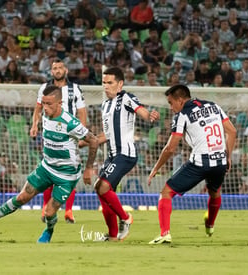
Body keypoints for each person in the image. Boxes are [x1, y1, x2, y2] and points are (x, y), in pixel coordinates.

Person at [0, 85, 99, 243]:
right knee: (22, 196)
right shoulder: (45, 114)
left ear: (60, 103)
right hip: (46, 167)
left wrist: (88, 168)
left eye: (49, 104)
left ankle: (49, 231)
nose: (45, 107)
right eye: (43, 103)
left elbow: (94, 140)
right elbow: (38, 114)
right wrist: (34, 125)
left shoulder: (70, 123)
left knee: (49, 213)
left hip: (67, 175)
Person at [147, 84, 237, 244]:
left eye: (170, 102)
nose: (171, 107)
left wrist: (156, 168)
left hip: (200, 162)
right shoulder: (213, 106)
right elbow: (232, 131)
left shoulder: (182, 115)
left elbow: (170, 148)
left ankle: (164, 233)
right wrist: (228, 157)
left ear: (180, 100)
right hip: (220, 160)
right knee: (215, 192)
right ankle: (210, 225)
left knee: (166, 193)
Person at [90, 67, 160, 241]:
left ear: (120, 84)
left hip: (126, 153)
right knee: (99, 189)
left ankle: (126, 218)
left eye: (110, 83)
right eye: (104, 83)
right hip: (113, 155)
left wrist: (149, 116)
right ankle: (113, 235)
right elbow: (108, 134)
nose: (106, 86)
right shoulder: (105, 106)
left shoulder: (126, 98)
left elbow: (142, 111)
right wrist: (88, 141)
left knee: (104, 186)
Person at [30, 58, 87, 224]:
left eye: (60, 68)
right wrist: (35, 125)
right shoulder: (45, 88)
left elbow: (82, 111)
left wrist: (82, 132)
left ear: (66, 70)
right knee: (50, 168)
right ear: (51, 71)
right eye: (54, 68)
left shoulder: (75, 89)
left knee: (70, 170)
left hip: (70, 134)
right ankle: (45, 207)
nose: (57, 70)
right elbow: (38, 108)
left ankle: (68, 210)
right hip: (50, 132)